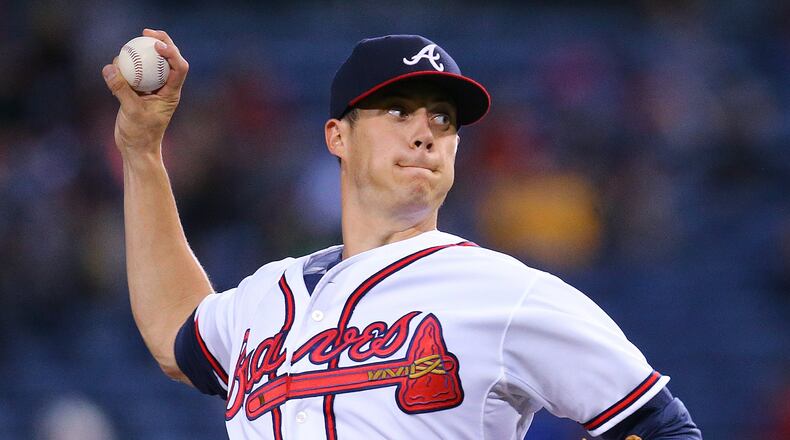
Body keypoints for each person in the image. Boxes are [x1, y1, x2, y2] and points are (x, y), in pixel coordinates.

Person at [102, 29, 702, 439]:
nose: (425, 133)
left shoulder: (505, 292)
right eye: (398, 111)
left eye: (442, 118)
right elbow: (174, 334)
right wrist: (141, 150)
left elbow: (660, 426)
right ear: (337, 136)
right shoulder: (266, 295)